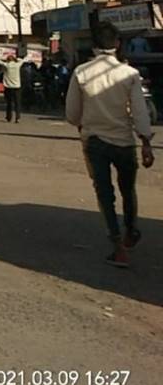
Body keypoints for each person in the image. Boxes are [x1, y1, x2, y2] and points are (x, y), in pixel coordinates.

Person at [65, 21, 156, 268]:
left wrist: (84, 123)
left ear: (93, 46)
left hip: (94, 141)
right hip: (125, 141)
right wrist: (146, 141)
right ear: (117, 44)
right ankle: (131, 229)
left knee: (104, 194)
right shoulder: (129, 74)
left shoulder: (82, 72)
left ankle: (117, 246)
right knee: (128, 189)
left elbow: (72, 113)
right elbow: (139, 111)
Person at [0, 52, 24, 122]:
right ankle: (18, 117)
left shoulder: (6, 65)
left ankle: (9, 117)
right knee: (17, 103)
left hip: (8, 86)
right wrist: (18, 59)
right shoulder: (18, 65)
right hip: (17, 86)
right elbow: (24, 60)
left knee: (9, 103)